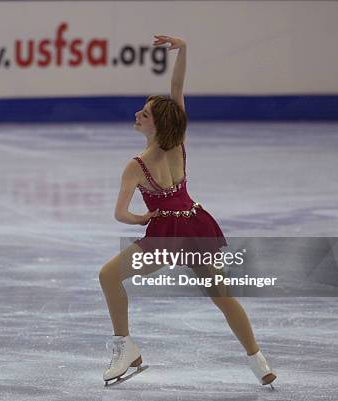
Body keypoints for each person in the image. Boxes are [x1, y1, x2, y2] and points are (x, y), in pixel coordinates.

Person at [98, 35, 277, 387]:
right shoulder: (178, 143)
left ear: (157, 124)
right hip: (196, 226)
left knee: (108, 276)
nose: (137, 115)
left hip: (167, 234)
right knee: (223, 297)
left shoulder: (135, 166)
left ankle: (126, 348)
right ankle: (259, 362)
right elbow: (177, 88)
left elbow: (121, 214)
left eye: (144, 114)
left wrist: (140, 219)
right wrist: (185, 51)